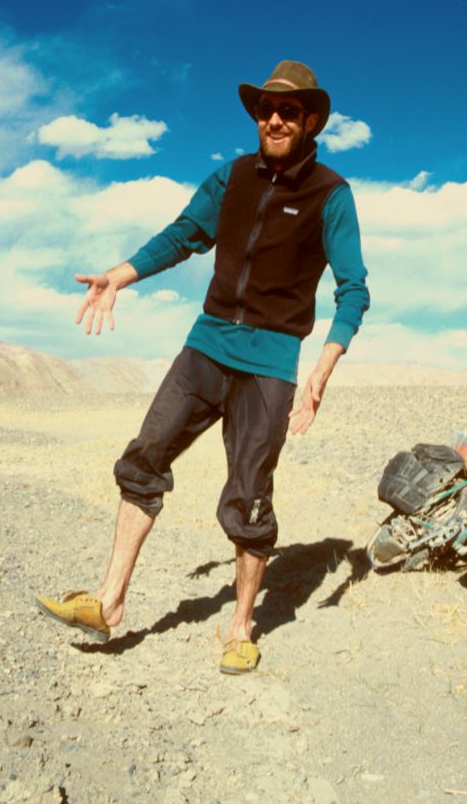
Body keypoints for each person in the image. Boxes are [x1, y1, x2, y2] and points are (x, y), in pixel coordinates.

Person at [36, 60, 369, 674]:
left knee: (247, 500)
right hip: (204, 350)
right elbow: (185, 234)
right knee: (143, 460)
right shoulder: (233, 178)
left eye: (288, 110)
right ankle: (109, 602)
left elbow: (354, 289)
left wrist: (323, 367)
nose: (273, 118)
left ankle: (240, 626)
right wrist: (121, 274)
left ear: (311, 120)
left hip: (270, 366)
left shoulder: (330, 194)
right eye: (266, 108)